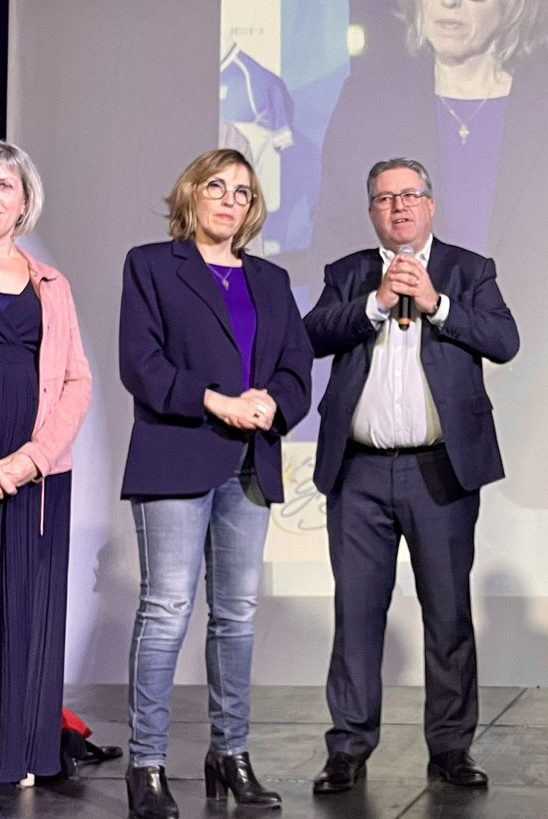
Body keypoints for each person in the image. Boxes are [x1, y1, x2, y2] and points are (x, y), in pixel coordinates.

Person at [306, 0, 548, 510]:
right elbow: (333, 250)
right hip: (394, 400)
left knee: (508, 587)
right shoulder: (366, 102)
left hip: (534, 403)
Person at [305, 158, 518, 793]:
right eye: (384, 198)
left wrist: (437, 303)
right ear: (371, 210)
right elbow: (311, 334)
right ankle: (348, 748)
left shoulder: (469, 269)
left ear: (430, 203)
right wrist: (373, 304)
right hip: (360, 472)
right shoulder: (347, 273)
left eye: (409, 195)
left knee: (448, 614)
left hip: (439, 470)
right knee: (356, 614)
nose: (398, 207)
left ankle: (451, 748)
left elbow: (504, 340)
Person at [118, 149, 313, 819]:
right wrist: (216, 400)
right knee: (168, 608)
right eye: (217, 187)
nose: (230, 199)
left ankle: (230, 753)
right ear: (192, 194)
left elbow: (295, 367)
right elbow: (141, 364)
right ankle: (146, 763)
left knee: (236, 615)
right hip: (176, 455)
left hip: (250, 463)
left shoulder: (272, 277)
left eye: (242, 191)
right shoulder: (151, 265)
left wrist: (272, 403)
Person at [0, 140, 92, 817]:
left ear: (25, 202)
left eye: (3, 185)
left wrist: (30, 459)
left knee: (17, 619)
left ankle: (0, 766)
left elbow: (77, 380)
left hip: (33, 480)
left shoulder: (51, 284)